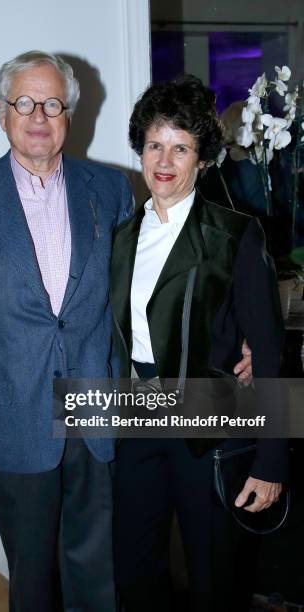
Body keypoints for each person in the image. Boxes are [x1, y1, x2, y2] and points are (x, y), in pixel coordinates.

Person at [0, 50, 135, 612]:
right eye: (24, 102)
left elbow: (140, 296)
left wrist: (229, 335)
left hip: (95, 410)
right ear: (2, 112)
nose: (38, 115)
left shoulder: (112, 190)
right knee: (33, 576)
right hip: (8, 416)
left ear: (68, 113)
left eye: (52, 103)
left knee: (97, 576)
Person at [110, 75, 288, 612]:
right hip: (136, 419)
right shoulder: (122, 238)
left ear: (202, 158)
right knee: (135, 571)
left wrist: (272, 463)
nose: (164, 160)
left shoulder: (236, 234)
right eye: (155, 144)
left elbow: (269, 353)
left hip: (211, 428)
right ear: (141, 149)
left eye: (181, 147)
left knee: (215, 579)